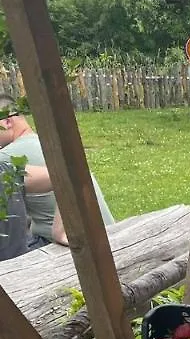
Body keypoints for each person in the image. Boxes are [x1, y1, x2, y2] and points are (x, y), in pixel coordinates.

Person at [0, 94, 115, 250]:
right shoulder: (45, 144)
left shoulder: (6, 158)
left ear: (7, 122)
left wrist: (59, 232)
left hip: (68, 244)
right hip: (110, 233)